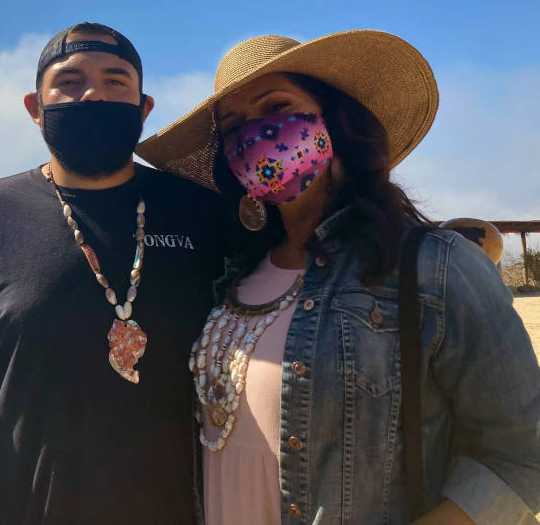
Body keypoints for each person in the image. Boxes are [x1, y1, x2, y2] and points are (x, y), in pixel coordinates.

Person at [137, 30, 540, 524]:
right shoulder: (228, 276)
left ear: (337, 122)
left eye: (275, 107)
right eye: (233, 125)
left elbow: (522, 457)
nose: (254, 134)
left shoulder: (434, 267)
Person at [0, 23, 227, 525]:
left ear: (143, 109)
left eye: (116, 81)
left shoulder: (201, 214)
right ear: (36, 108)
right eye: (69, 81)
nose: (93, 94)